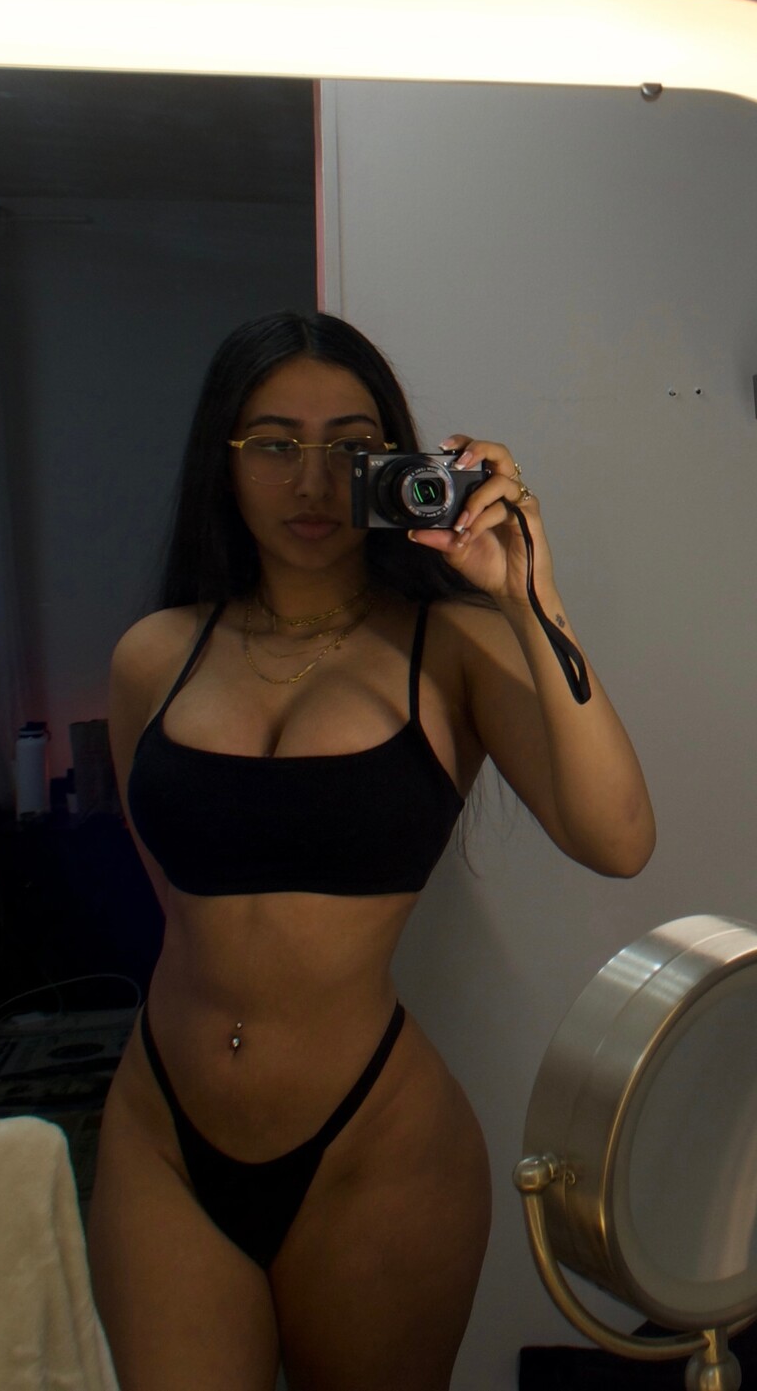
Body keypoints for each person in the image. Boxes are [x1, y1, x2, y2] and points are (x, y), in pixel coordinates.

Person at [86, 311, 655, 1391]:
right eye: (274, 444)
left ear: (395, 462)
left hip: (373, 1148)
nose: (311, 481)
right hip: (162, 1134)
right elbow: (181, 898)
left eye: (349, 448)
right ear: (224, 457)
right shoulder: (152, 655)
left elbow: (618, 837)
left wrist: (529, 594)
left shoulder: (453, 648)